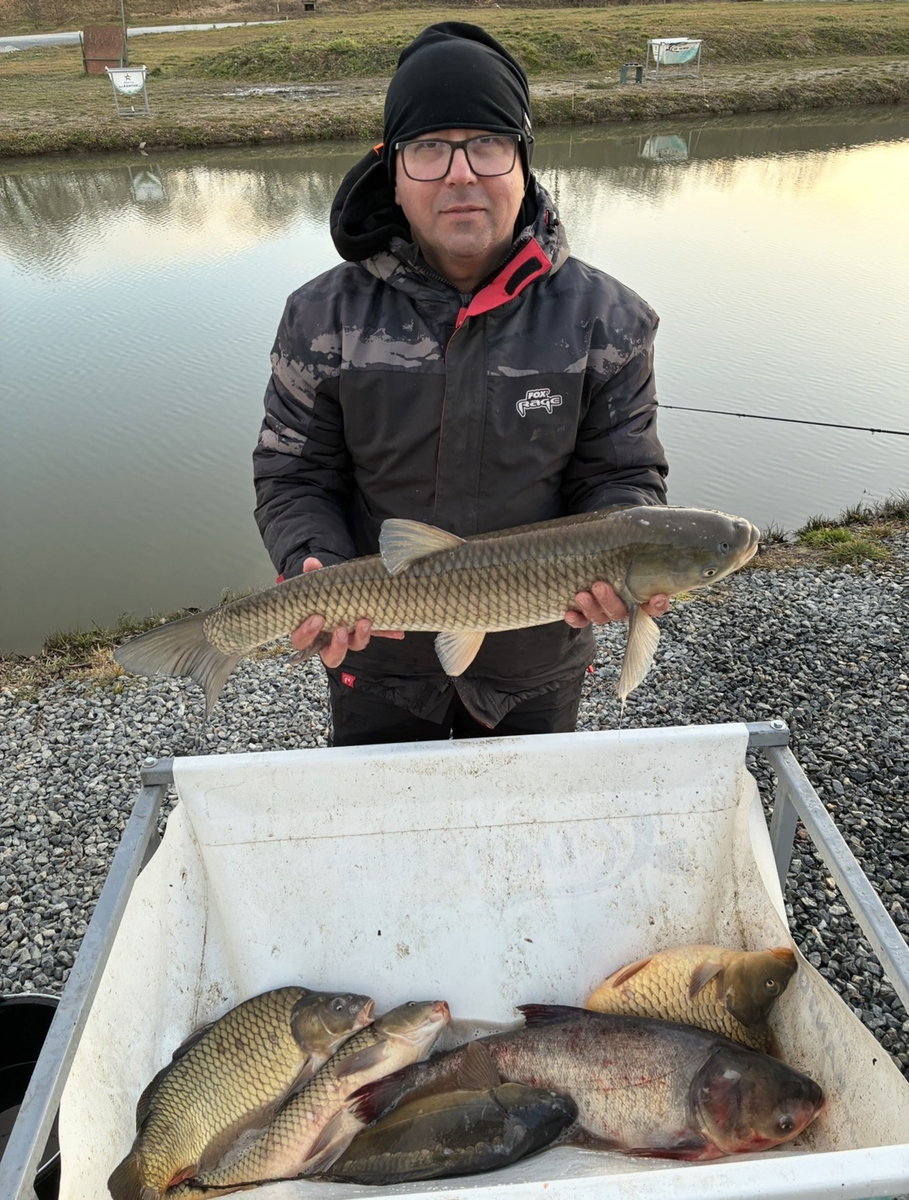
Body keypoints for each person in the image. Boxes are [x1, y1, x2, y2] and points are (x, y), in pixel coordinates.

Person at [253, 21, 669, 746]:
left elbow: (622, 477)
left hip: (535, 661)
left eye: (487, 143)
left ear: (523, 161)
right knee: (387, 814)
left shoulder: (610, 320)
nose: (460, 173)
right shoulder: (321, 317)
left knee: (523, 814)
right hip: (377, 656)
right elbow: (294, 475)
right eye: (428, 148)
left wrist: (618, 564)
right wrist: (313, 563)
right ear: (392, 171)